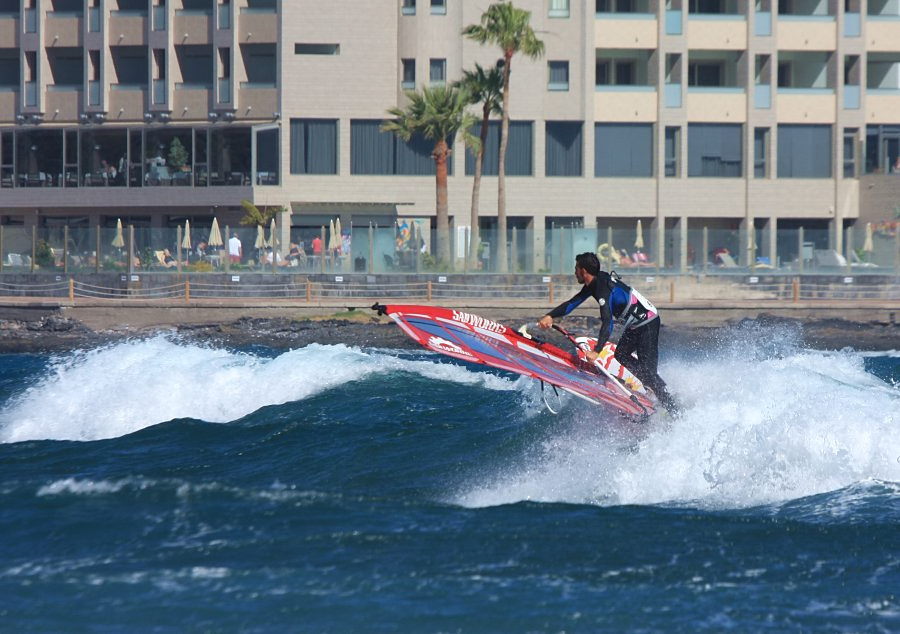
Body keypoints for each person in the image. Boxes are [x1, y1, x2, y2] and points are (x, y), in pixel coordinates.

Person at [538, 251, 679, 415]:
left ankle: (674, 408)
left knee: (648, 372)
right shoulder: (595, 283)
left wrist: (597, 351)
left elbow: (607, 322)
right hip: (635, 325)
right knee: (622, 355)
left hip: (647, 322)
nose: (574, 272)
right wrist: (550, 316)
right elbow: (572, 303)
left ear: (583, 271)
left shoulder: (603, 290)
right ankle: (652, 388)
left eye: (576, 268)